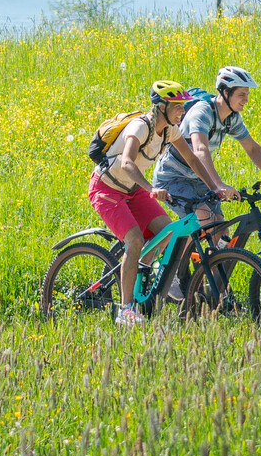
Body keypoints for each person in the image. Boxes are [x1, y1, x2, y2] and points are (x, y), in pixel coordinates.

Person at [90, 79, 235, 326]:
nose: (182, 111)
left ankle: (140, 274)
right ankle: (125, 310)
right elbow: (126, 162)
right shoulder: (140, 127)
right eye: (178, 106)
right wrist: (151, 189)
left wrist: (215, 186)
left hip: (133, 189)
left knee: (168, 232)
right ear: (161, 107)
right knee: (135, 240)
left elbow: (191, 157)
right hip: (107, 189)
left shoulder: (170, 130)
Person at [151, 65, 261, 298]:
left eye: (247, 94)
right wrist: (217, 185)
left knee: (220, 229)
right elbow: (200, 148)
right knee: (203, 219)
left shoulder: (232, 118)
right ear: (225, 92)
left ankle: (208, 286)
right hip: (172, 177)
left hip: (198, 177)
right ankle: (173, 271)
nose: (246, 100)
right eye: (241, 94)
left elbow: (252, 148)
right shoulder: (202, 112)